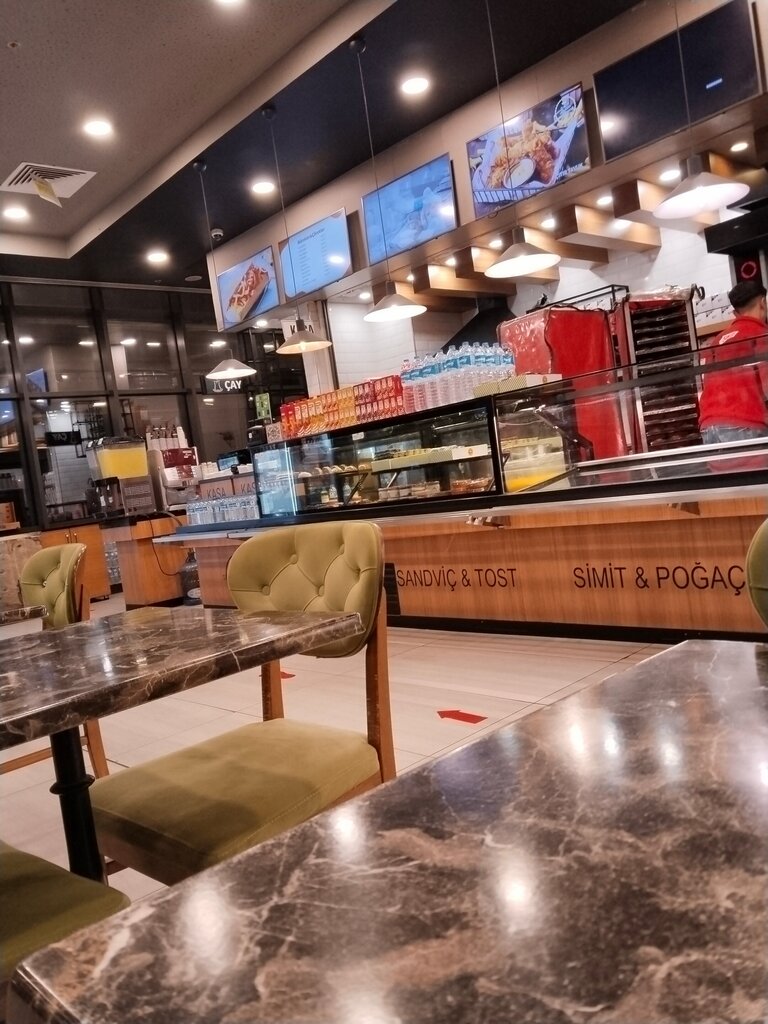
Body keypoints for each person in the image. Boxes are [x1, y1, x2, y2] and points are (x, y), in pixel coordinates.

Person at [698, 280, 768, 445]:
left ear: (735, 312)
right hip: (745, 423)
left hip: (709, 427)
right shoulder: (760, 334)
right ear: (763, 303)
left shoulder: (717, 340)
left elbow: (707, 383)